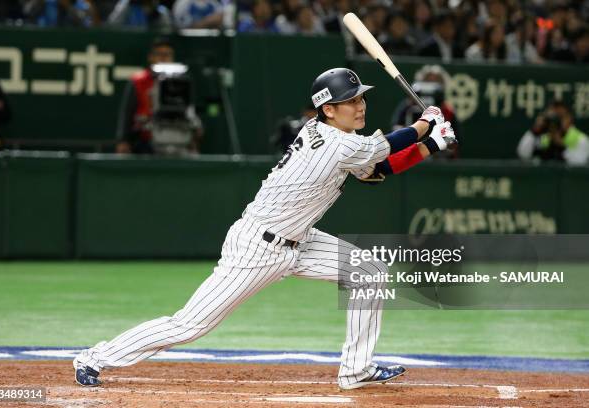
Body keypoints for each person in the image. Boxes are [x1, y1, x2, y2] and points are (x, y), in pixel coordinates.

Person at [74, 67, 456, 390]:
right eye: (352, 101)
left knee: (369, 271)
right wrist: (425, 124)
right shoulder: (335, 144)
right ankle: (95, 357)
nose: (361, 106)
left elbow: (376, 172)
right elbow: (385, 147)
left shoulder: (343, 139)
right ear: (328, 109)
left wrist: (432, 144)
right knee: (189, 324)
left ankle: (356, 369)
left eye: (361, 99)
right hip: (258, 247)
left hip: (300, 240)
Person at [115, 37, 203, 155]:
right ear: (150, 57)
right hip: (144, 142)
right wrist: (123, 140)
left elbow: (189, 111)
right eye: (160, 54)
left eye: (168, 55)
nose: (164, 58)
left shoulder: (181, 80)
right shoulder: (138, 81)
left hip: (177, 139)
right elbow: (127, 113)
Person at [517, 100, 588, 165]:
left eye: (560, 117)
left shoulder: (581, 139)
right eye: (553, 117)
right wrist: (535, 131)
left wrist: (561, 146)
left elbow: (580, 163)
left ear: (569, 118)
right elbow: (523, 154)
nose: (556, 121)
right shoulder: (543, 137)